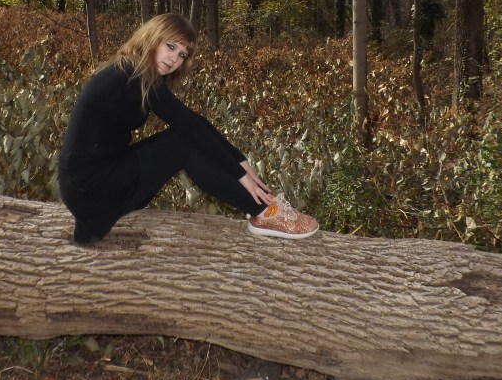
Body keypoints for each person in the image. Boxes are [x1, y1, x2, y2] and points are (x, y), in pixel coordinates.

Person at [57, 13, 319, 244]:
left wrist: (240, 160)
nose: (174, 59)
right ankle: (263, 212)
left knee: (182, 137)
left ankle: (264, 208)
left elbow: (193, 121)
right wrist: (239, 175)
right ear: (152, 38)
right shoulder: (133, 74)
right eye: (170, 47)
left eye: (182, 55)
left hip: (87, 185)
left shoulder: (131, 70)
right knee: (182, 144)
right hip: (90, 189)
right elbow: (189, 128)